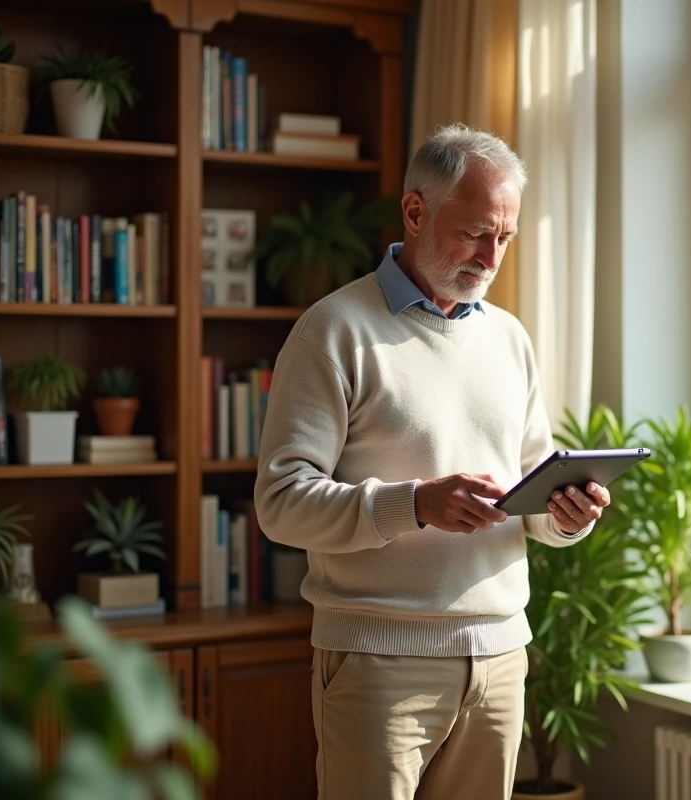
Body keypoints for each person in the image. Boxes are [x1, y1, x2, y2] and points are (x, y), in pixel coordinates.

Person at [253, 123, 611, 800]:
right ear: (415, 212)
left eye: (504, 237)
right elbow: (280, 502)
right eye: (475, 231)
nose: (491, 255)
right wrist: (414, 503)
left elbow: (533, 498)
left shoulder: (510, 338)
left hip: (501, 657)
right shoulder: (333, 329)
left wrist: (568, 515)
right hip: (378, 660)